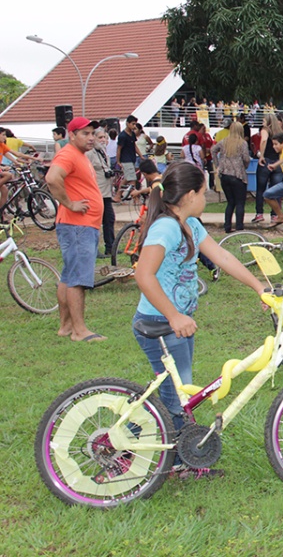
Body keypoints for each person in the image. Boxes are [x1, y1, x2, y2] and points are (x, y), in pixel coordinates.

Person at [132, 161, 265, 478]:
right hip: (162, 325)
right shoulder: (166, 227)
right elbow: (143, 275)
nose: (207, 197)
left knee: (173, 392)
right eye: (205, 192)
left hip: (177, 325)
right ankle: (173, 458)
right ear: (190, 195)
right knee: (177, 398)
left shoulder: (190, 224)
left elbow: (222, 257)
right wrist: (174, 315)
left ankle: (145, 441)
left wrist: (259, 287)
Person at [45, 117, 106, 342]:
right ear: (72, 135)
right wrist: (70, 204)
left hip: (79, 225)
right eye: (85, 133)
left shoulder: (78, 155)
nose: (90, 137)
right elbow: (52, 178)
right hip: (77, 225)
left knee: (69, 276)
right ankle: (80, 331)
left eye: (92, 133)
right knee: (78, 278)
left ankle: (66, 326)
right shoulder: (68, 154)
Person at [210, 121, 251, 233]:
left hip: (224, 175)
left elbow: (213, 150)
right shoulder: (242, 143)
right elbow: (246, 158)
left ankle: (227, 226)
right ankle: (239, 227)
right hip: (238, 175)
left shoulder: (224, 142)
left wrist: (217, 165)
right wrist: (245, 166)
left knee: (230, 202)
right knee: (240, 203)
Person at [254, 113, 283, 223]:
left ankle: (259, 213)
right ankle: (275, 214)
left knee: (261, 188)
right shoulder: (281, 133)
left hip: (266, 160)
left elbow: (264, 140)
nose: (262, 122)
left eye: (264, 120)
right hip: (278, 162)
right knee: (275, 190)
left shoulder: (266, 130)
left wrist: (261, 155)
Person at [86, 128, 116, 258]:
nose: (103, 140)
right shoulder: (89, 153)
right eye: (100, 137)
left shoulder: (103, 151)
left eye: (104, 137)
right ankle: (94, 249)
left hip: (106, 192)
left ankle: (111, 247)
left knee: (109, 219)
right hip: (95, 192)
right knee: (95, 222)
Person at [114, 115, 140, 201]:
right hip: (126, 159)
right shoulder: (122, 136)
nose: (134, 126)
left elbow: (134, 146)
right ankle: (135, 197)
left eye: (135, 124)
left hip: (132, 158)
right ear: (127, 123)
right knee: (132, 179)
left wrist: (141, 155)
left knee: (127, 178)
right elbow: (119, 148)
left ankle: (118, 195)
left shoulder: (132, 134)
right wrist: (118, 161)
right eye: (133, 124)